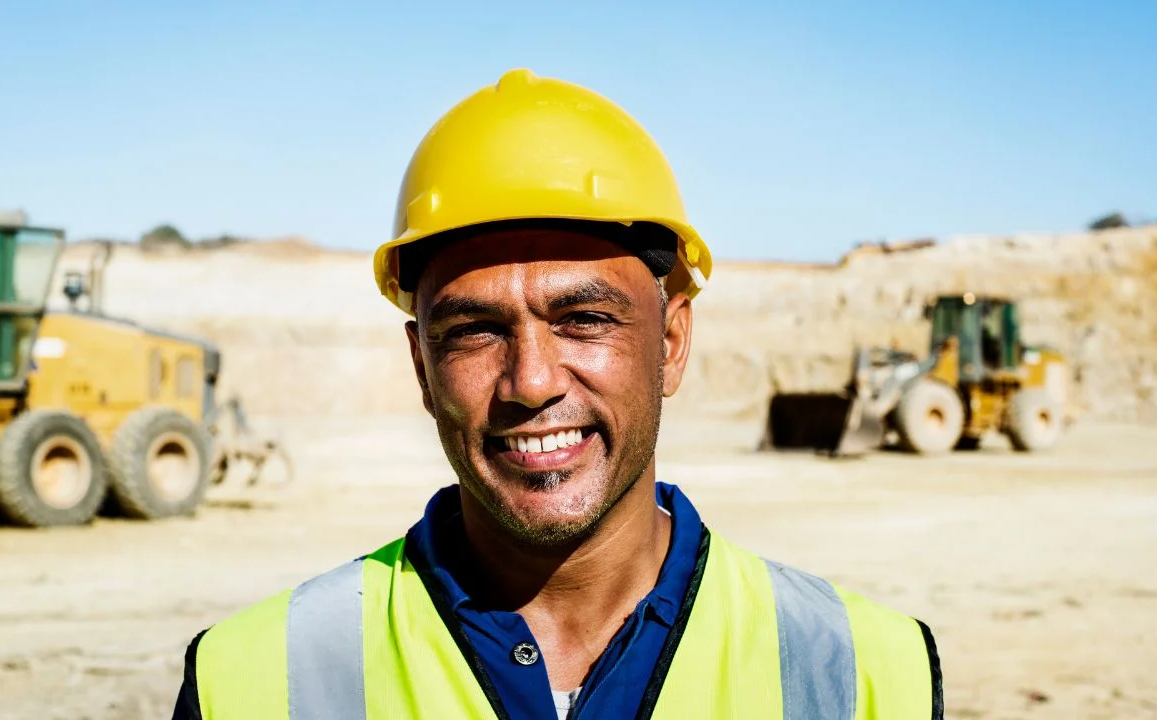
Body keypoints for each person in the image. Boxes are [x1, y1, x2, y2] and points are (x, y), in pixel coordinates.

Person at [171, 68, 943, 720]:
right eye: (474, 330)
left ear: (670, 344)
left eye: (583, 319)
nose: (532, 381)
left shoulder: (867, 676)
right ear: (422, 367)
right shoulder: (254, 682)